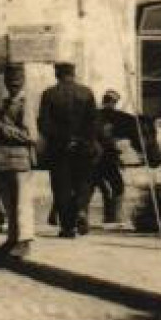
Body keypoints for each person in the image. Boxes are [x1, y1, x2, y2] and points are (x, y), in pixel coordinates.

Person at [38, 61, 99, 237]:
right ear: (73, 73)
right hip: (84, 148)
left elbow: (44, 123)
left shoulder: (49, 94)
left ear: (57, 75)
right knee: (84, 182)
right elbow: (93, 122)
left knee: (61, 186)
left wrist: (64, 139)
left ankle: (67, 228)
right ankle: (81, 210)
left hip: (59, 149)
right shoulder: (86, 93)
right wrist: (83, 140)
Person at [0, 63, 35, 255]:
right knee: (8, 202)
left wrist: (3, 128)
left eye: (16, 83)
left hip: (20, 159)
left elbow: (30, 135)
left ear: (23, 82)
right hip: (3, 160)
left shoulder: (25, 105)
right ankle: (12, 239)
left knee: (22, 202)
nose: (13, 86)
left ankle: (24, 240)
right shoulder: (4, 103)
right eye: (10, 83)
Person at [93, 89, 144, 225]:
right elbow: (109, 141)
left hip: (97, 158)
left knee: (105, 188)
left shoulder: (95, 115)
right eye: (113, 101)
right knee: (117, 187)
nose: (112, 104)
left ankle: (110, 216)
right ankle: (113, 217)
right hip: (105, 158)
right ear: (113, 102)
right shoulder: (116, 117)